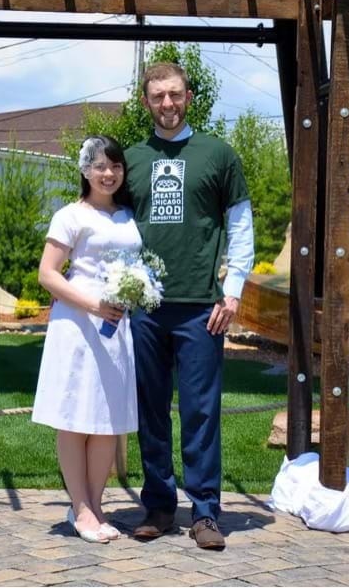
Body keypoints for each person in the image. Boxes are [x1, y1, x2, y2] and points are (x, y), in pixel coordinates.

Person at [124, 62, 254, 550]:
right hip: (146, 309)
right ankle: (158, 504)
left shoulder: (218, 154)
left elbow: (240, 225)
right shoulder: (132, 159)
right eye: (157, 96)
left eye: (174, 94)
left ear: (189, 96)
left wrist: (233, 290)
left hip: (203, 307)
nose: (167, 104)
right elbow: (117, 230)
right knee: (150, 411)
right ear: (145, 102)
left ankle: (204, 512)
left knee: (201, 411)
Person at [31, 135, 141, 544]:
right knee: (76, 418)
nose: (108, 174)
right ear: (84, 170)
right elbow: (48, 274)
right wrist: (94, 304)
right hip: (78, 327)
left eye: (115, 166)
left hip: (118, 329)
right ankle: (80, 507)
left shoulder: (128, 215)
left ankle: (97, 504)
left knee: (107, 421)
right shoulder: (69, 216)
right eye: (99, 166)